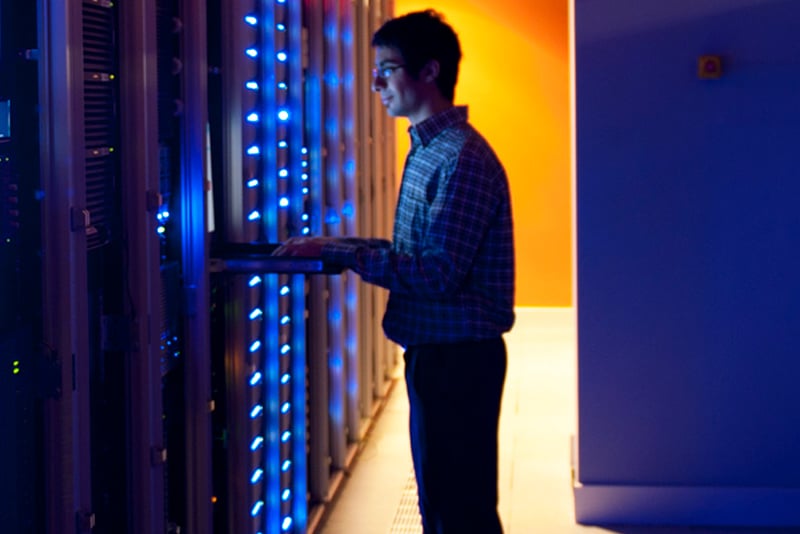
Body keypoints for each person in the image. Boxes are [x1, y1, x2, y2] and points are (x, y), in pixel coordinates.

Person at [274, 9, 514, 533]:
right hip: (442, 355)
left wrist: (342, 256)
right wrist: (331, 244)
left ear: (429, 72)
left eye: (387, 68)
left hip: (459, 361)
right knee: (445, 505)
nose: (376, 83)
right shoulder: (431, 150)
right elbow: (417, 252)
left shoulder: (459, 159)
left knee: (458, 512)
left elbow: (436, 275)